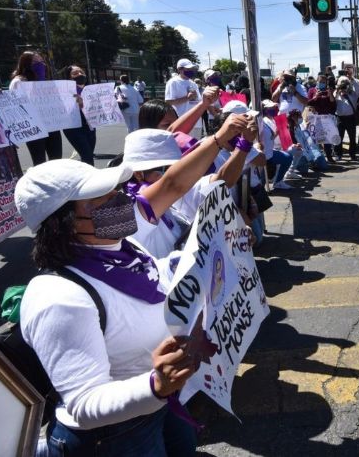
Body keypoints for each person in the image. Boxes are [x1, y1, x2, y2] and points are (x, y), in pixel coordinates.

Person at [13, 124, 245, 453]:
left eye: (115, 192)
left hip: (163, 406)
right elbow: (84, 402)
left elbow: (156, 275)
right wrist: (155, 385)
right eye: (101, 200)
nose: (121, 200)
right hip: (112, 437)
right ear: (64, 223)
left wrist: (212, 250)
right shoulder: (59, 297)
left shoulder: (122, 249)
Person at [8, 51, 63, 165]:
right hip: (35, 128)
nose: (40, 64)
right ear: (26, 63)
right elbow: (16, 105)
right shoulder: (19, 81)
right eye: (35, 62)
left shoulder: (46, 80)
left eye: (42, 61)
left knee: (57, 160)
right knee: (39, 162)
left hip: (52, 124)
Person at [61, 65, 98, 165]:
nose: (80, 74)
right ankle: (90, 178)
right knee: (87, 156)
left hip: (90, 125)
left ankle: (86, 176)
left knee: (89, 154)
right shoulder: (64, 92)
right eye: (75, 73)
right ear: (69, 78)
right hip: (73, 127)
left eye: (81, 72)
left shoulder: (91, 90)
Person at [258, 99, 298, 190]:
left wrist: (281, 130)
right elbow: (267, 138)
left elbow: (271, 137)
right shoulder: (262, 122)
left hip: (270, 151)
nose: (274, 109)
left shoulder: (271, 120)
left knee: (288, 157)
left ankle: (278, 181)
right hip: (266, 153)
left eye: (274, 107)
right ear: (265, 110)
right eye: (271, 108)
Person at [164, 58, 203, 138]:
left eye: (191, 68)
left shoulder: (193, 83)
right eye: (188, 68)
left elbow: (198, 101)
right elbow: (168, 102)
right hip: (182, 122)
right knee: (185, 149)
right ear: (180, 69)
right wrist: (187, 98)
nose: (191, 70)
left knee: (196, 147)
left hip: (196, 122)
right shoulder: (173, 82)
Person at [306, 74, 338, 162]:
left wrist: (330, 94)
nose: (322, 83)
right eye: (320, 82)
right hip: (315, 118)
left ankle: (329, 156)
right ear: (317, 81)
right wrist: (315, 96)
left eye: (324, 82)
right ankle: (317, 157)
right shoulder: (312, 90)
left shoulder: (328, 91)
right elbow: (308, 102)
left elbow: (333, 104)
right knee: (315, 138)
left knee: (327, 138)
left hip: (326, 119)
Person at [334, 76, 358, 160]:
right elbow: (332, 98)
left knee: (352, 137)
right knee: (339, 137)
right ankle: (338, 154)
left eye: (345, 86)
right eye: (342, 86)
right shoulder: (336, 95)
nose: (344, 88)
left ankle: (353, 154)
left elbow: (357, 88)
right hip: (340, 118)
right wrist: (338, 89)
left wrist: (351, 80)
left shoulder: (353, 94)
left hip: (350, 118)